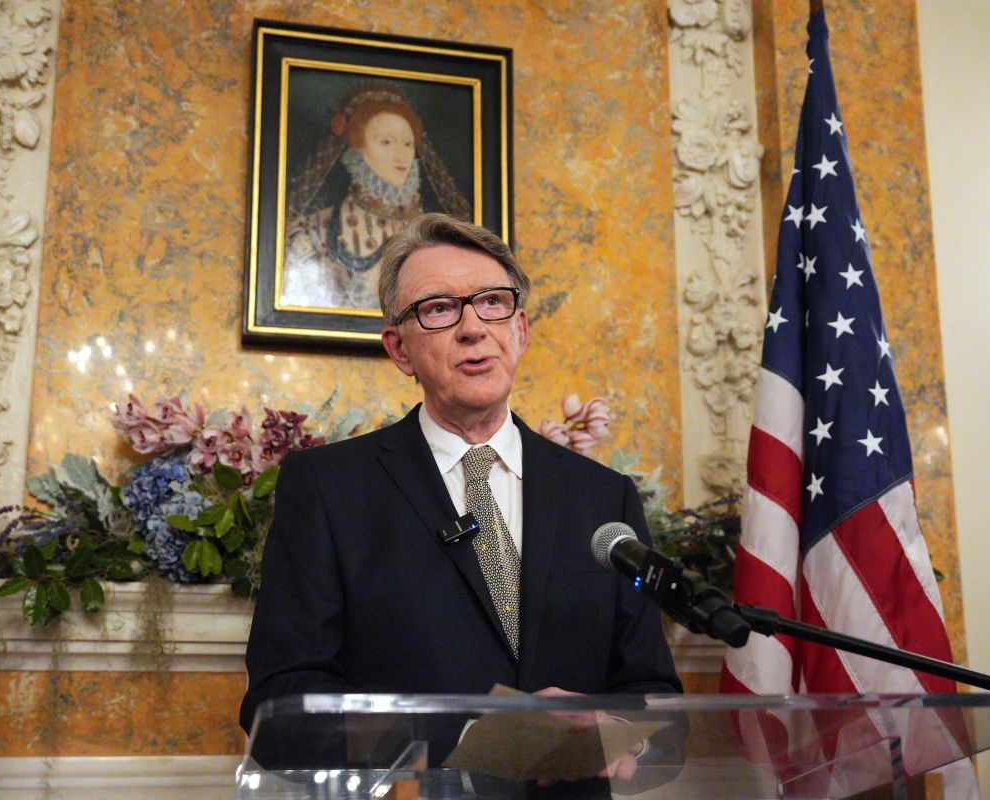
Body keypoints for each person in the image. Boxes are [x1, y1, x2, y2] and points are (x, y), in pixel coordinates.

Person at [243, 213, 683, 780]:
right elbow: (282, 705)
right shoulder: (328, 489)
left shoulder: (604, 497)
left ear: (520, 330)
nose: (473, 327)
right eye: (439, 309)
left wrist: (621, 736)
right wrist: (466, 738)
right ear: (399, 350)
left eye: (492, 302)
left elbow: (655, 695)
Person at [280, 81, 472, 310]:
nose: (401, 155)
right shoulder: (315, 230)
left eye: (408, 144)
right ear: (357, 147)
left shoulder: (440, 234)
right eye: (386, 142)